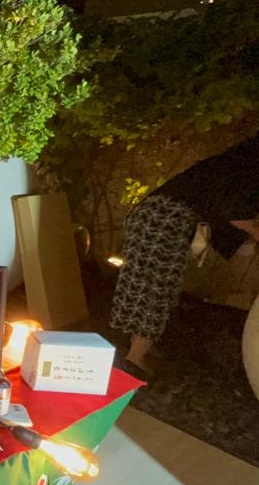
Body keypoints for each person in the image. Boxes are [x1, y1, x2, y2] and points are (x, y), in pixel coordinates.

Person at [111, 134, 259, 373]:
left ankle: (139, 347)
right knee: (156, 287)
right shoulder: (244, 168)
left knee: (145, 285)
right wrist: (254, 230)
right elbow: (235, 212)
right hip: (163, 221)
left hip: (153, 217)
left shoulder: (232, 163)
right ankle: (136, 356)